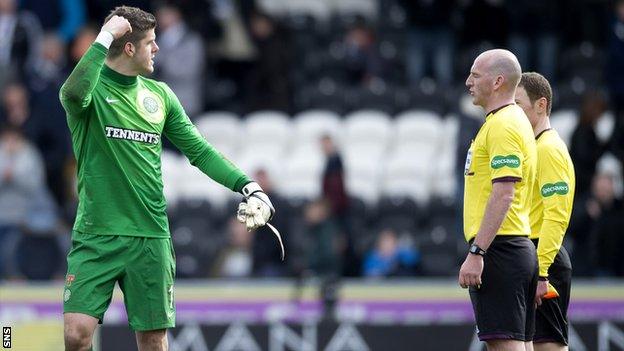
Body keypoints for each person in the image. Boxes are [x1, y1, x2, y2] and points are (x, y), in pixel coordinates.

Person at [59, 7, 276, 351]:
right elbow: (71, 93)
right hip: (96, 234)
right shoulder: (91, 91)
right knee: (76, 333)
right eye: (150, 42)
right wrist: (103, 37)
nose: (157, 49)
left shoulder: (160, 96)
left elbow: (201, 152)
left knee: (154, 340)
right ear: (129, 48)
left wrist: (249, 186)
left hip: (150, 235)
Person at [459, 49, 538, 351]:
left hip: (500, 249)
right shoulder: (510, 120)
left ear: (497, 82)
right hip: (514, 245)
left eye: (475, 75)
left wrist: (478, 251)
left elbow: (504, 191)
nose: (468, 82)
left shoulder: (503, 124)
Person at [515, 72, 575, 350]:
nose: (513, 112)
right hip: (534, 256)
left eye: (518, 104)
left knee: (548, 347)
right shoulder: (535, 147)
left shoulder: (549, 149)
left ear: (541, 105)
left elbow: (556, 216)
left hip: (544, 259)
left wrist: (542, 272)